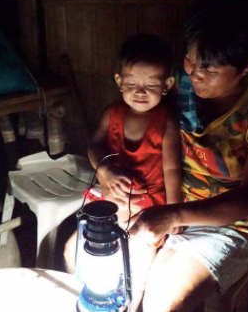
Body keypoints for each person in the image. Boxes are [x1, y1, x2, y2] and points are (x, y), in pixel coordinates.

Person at [129, 0, 248, 312]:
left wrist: (172, 215)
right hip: (172, 201)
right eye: (190, 60)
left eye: (208, 68)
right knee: (96, 258)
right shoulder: (179, 84)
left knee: (163, 302)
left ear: (246, 66)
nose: (194, 74)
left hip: (235, 225)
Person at [63, 34, 182, 311]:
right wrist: (105, 169)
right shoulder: (112, 114)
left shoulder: (166, 121)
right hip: (107, 206)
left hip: (147, 209)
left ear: (166, 85)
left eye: (151, 85)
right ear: (119, 82)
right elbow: (93, 145)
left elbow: (173, 168)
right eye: (131, 84)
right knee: (73, 251)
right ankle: (84, 298)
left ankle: (128, 306)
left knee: (136, 269)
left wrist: (175, 211)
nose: (140, 92)